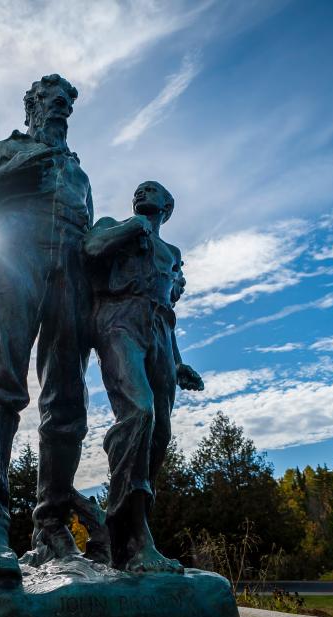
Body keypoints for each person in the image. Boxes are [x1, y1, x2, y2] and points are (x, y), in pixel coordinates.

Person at [0, 75, 93, 586]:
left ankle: (52, 528)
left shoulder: (80, 174)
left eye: (68, 103)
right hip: (13, 256)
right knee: (0, 382)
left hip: (72, 274)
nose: (61, 109)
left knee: (69, 400)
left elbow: (93, 238)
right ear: (30, 106)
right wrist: (7, 178)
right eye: (52, 101)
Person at [83, 180, 204, 573]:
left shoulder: (172, 254)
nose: (141, 193)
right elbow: (91, 249)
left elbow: (166, 306)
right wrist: (133, 227)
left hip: (161, 335)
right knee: (139, 412)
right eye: (138, 190)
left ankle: (127, 526)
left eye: (151, 191)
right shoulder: (111, 225)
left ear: (167, 206)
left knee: (160, 432)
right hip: (119, 321)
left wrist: (179, 360)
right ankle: (134, 537)